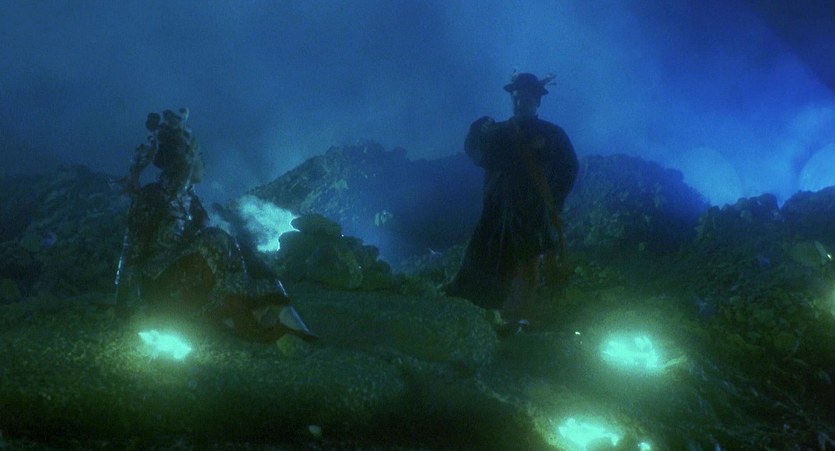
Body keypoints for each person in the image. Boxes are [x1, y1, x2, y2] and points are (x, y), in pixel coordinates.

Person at [115, 108, 315, 342]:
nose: (204, 163)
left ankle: (282, 312)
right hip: (161, 285)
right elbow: (132, 251)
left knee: (236, 246)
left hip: (191, 276)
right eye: (198, 156)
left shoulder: (192, 202)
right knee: (215, 239)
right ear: (185, 162)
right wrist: (124, 303)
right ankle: (247, 313)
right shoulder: (151, 198)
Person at [446, 73, 578, 334]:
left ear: (537, 101)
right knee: (487, 257)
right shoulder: (497, 132)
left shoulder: (553, 134)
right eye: (517, 98)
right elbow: (478, 153)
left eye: (527, 98)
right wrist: (478, 127)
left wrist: (552, 202)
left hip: (531, 212)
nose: (520, 102)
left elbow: (569, 169)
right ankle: (481, 312)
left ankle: (518, 319)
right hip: (497, 210)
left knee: (525, 264)